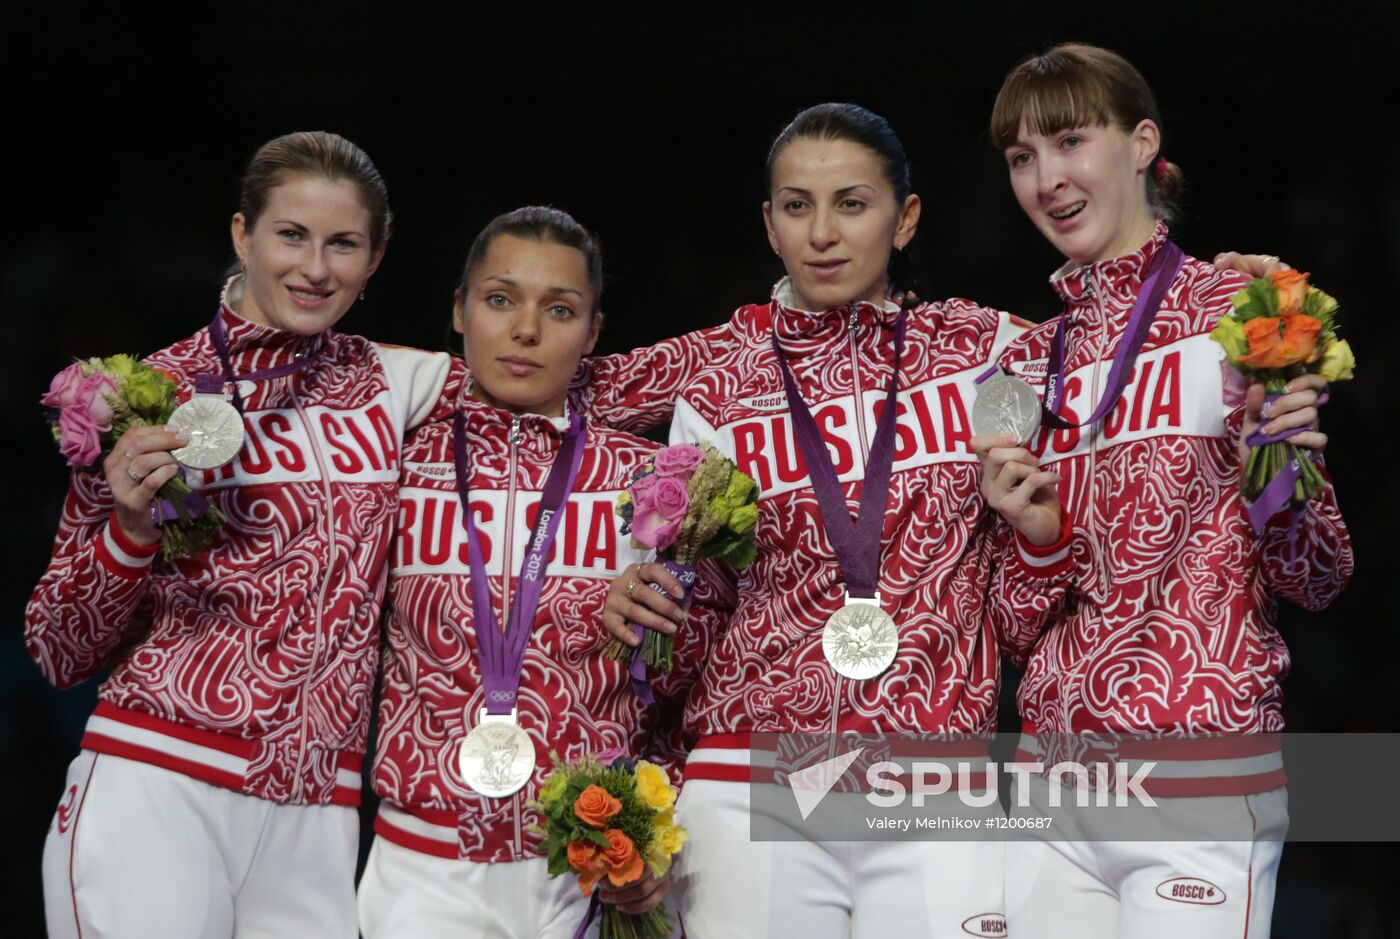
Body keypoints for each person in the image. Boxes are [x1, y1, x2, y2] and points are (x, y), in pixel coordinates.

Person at [27, 131, 458, 939]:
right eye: (291, 235)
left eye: (344, 243)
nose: (316, 268)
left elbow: (559, 388)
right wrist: (127, 528)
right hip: (159, 786)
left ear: (377, 256)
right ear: (241, 234)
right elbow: (57, 648)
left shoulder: (399, 383)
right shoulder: (143, 395)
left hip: (317, 815)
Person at [976, 43, 1353, 939]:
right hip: (1053, 789)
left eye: (1070, 142)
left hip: (1201, 776)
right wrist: (1035, 538)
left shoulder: (1246, 305)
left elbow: (1318, 575)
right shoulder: (1023, 369)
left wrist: (1280, 468)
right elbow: (1012, 628)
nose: (1046, 180)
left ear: (1142, 142)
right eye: (1022, 158)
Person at [357, 206, 726, 939]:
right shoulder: (395, 461)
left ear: (592, 334)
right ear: (459, 311)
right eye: (500, 300)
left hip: (590, 873)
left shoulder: (652, 485)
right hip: (424, 866)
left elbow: (703, 689)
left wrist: (655, 837)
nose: (526, 330)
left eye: (559, 310)